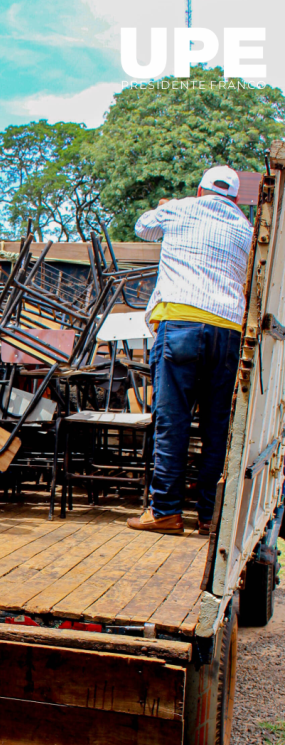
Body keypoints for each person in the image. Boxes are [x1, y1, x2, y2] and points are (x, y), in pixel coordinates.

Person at [127, 165, 254, 536]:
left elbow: (143, 227)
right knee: (217, 427)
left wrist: (165, 204)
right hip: (228, 331)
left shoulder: (179, 208)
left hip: (180, 322)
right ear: (234, 198)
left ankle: (165, 511)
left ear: (200, 191)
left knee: (173, 422)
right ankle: (211, 517)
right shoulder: (246, 228)